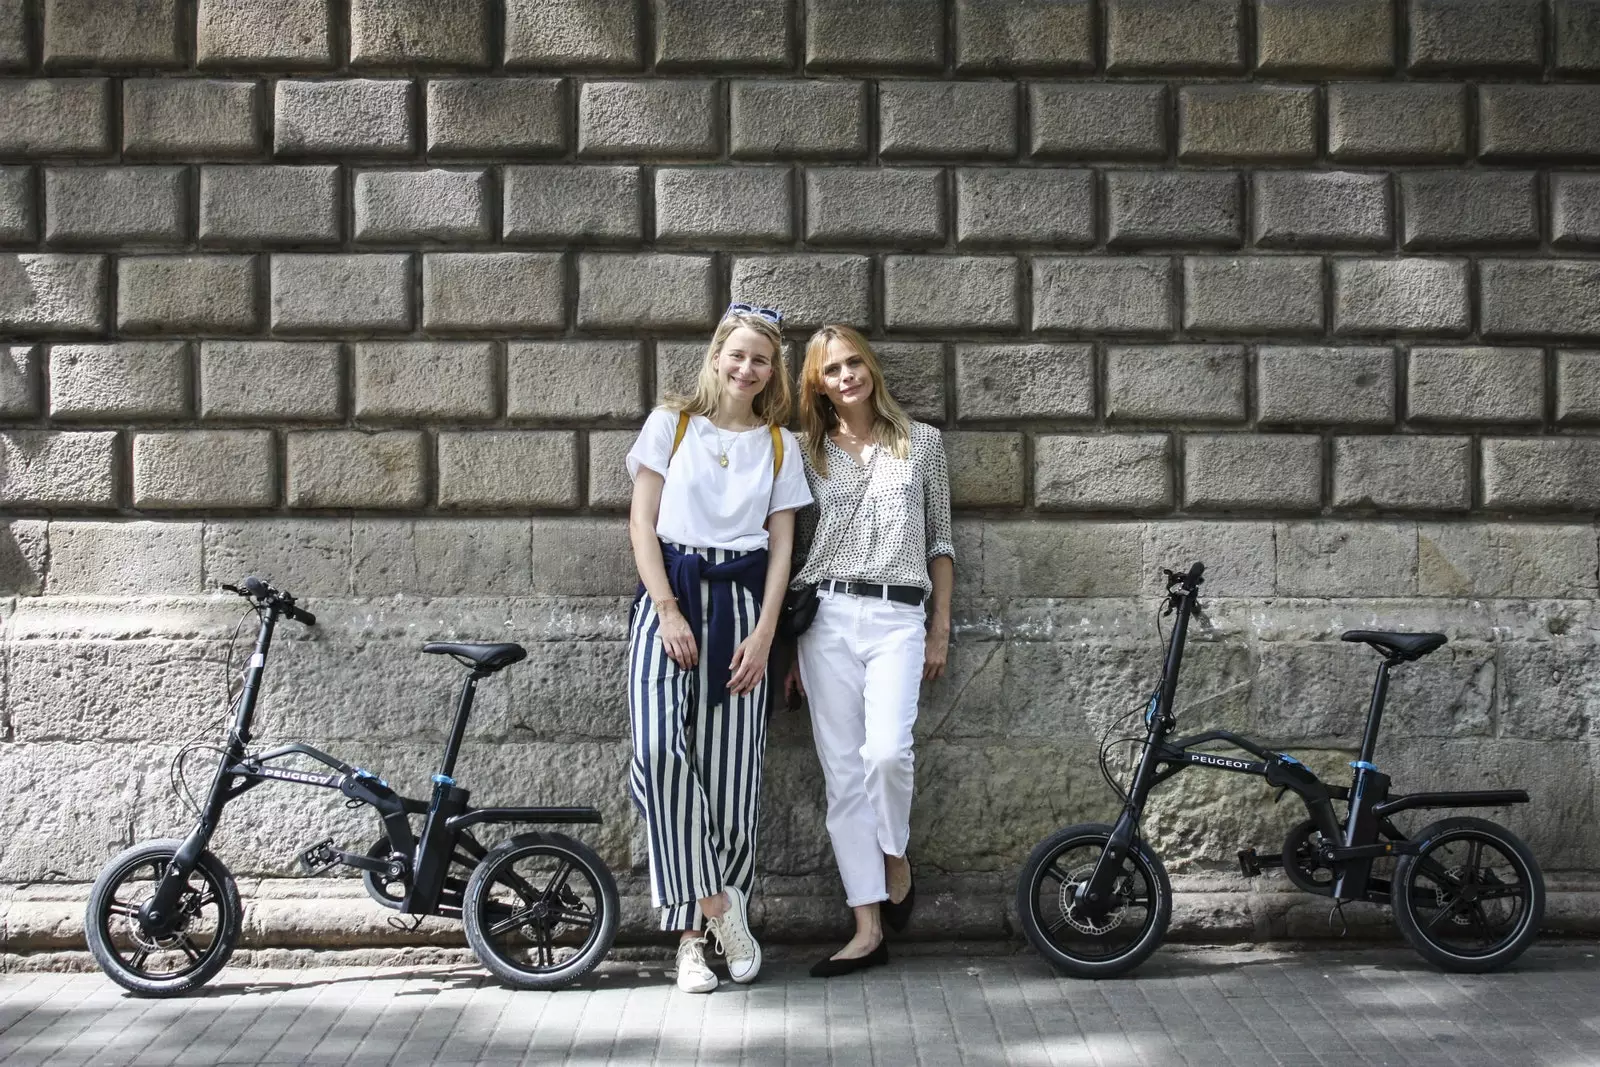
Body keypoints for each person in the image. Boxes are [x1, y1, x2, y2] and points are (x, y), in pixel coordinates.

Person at [624, 303, 811, 994]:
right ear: (716, 355)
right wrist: (668, 609)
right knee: (659, 752)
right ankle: (717, 904)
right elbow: (642, 524)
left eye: (760, 359)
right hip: (670, 596)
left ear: (772, 371)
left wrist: (767, 635)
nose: (746, 367)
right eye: (737, 354)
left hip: (741, 606)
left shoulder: (781, 445)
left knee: (731, 786)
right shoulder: (670, 424)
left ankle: (693, 944)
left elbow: (784, 545)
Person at [785, 324, 955, 977]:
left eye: (854, 362)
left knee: (886, 753)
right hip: (826, 616)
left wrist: (939, 628)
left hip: (897, 616)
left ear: (871, 367)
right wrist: (788, 649)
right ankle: (866, 925)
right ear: (818, 383)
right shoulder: (808, 453)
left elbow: (941, 544)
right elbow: (794, 550)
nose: (847, 375)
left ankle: (895, 856)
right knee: (842, 776)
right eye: (832, 370)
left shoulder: (924, 444)